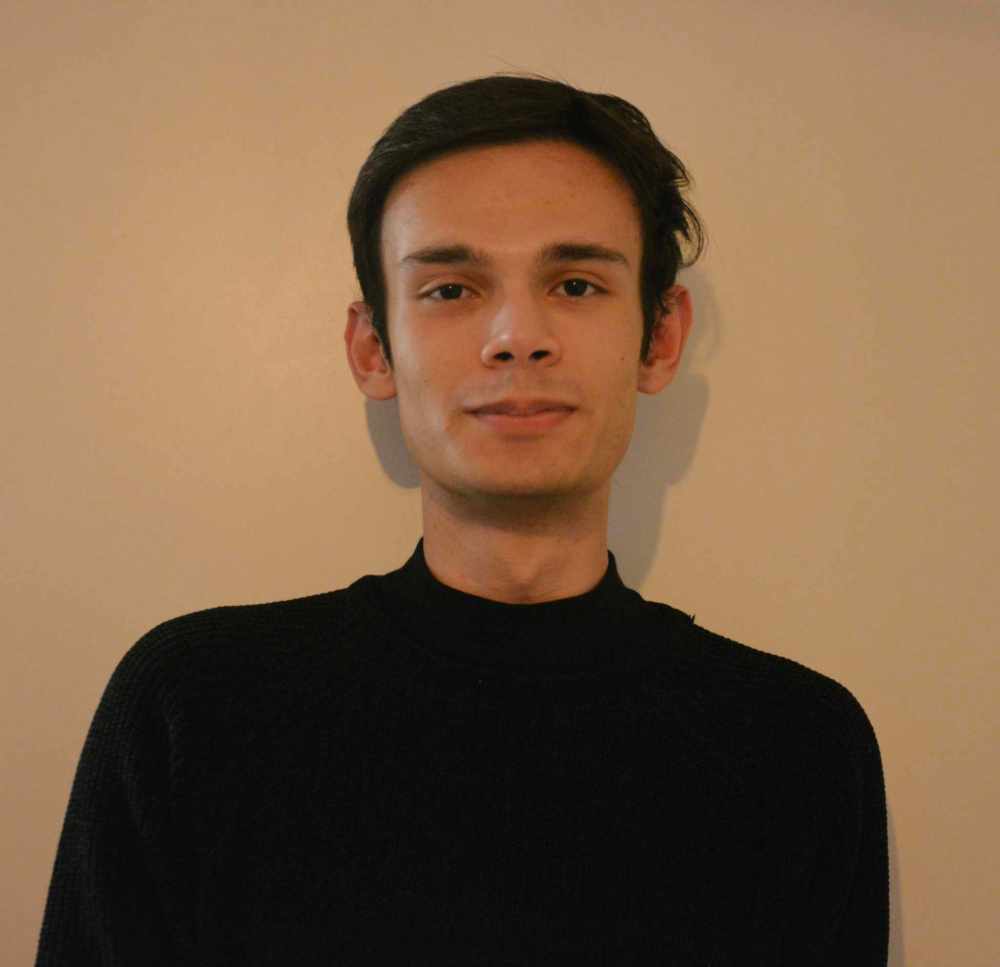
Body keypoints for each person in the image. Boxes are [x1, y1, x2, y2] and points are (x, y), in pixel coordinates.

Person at [35, 73, 889, 965]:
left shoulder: (798, 750)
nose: (517, 335)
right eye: (450, 290)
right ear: (374, 348)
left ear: (660, 336)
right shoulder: (194, 713)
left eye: (576, 284)